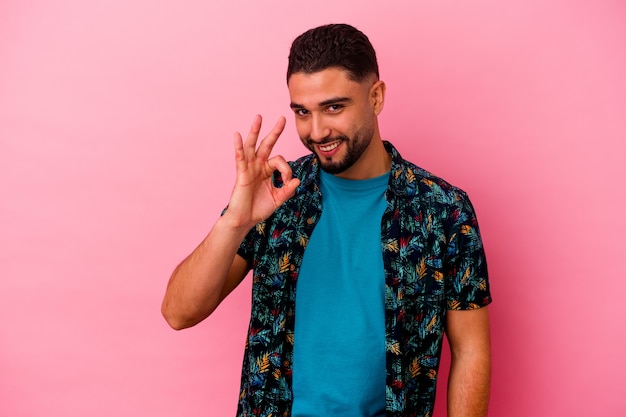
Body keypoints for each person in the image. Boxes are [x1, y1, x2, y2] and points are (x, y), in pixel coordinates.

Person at [162, 23, 492, 417]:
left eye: (334, 107)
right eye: (303, 111)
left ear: (376, 96)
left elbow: (470, 350)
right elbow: (179, 313)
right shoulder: (278, 193)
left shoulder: (443, 210)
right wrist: (236, 219)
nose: (317, 131)